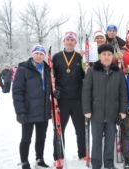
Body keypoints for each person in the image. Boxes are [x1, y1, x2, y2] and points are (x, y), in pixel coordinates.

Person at [82, 44, 128, 169]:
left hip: (112, 112)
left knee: (110, 141)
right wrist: (87, 109)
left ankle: (109, 163)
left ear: (112, 56)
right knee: (96, 141)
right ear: (99, 56)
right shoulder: (92, 71)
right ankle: (96, 164)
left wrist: (122, 110)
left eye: (109, 54)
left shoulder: (118, 71)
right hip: (96, 112)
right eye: (104, 54)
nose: (107, 57)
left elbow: (123, 92)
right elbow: (86, 91)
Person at [12, 45, 51, 169]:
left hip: (43, 109)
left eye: (41, 54)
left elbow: (52, 85)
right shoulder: (23, 69)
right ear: (32, 54)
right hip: (28, 110)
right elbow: (17, 91)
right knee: (26, 139)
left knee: (41, 138)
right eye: (37, 53)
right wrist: (20, 111)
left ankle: (39, 159)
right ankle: (24, 161)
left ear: (44, 55)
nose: (39, 56)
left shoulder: (47, 69)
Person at [52, 31, 86, 165]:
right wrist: (55, 91)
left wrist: (86, 60)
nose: (70, 42)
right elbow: (52, 78)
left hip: (78, 98)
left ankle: (82, 154)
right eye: (67, 40)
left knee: (80, 129)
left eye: (72, 40)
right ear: (63, 41)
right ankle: (58, 156)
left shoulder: (80, 57)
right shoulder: (56, 57)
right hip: (62, 99)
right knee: (59, 129)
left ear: (76, 42)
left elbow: (86, 76)